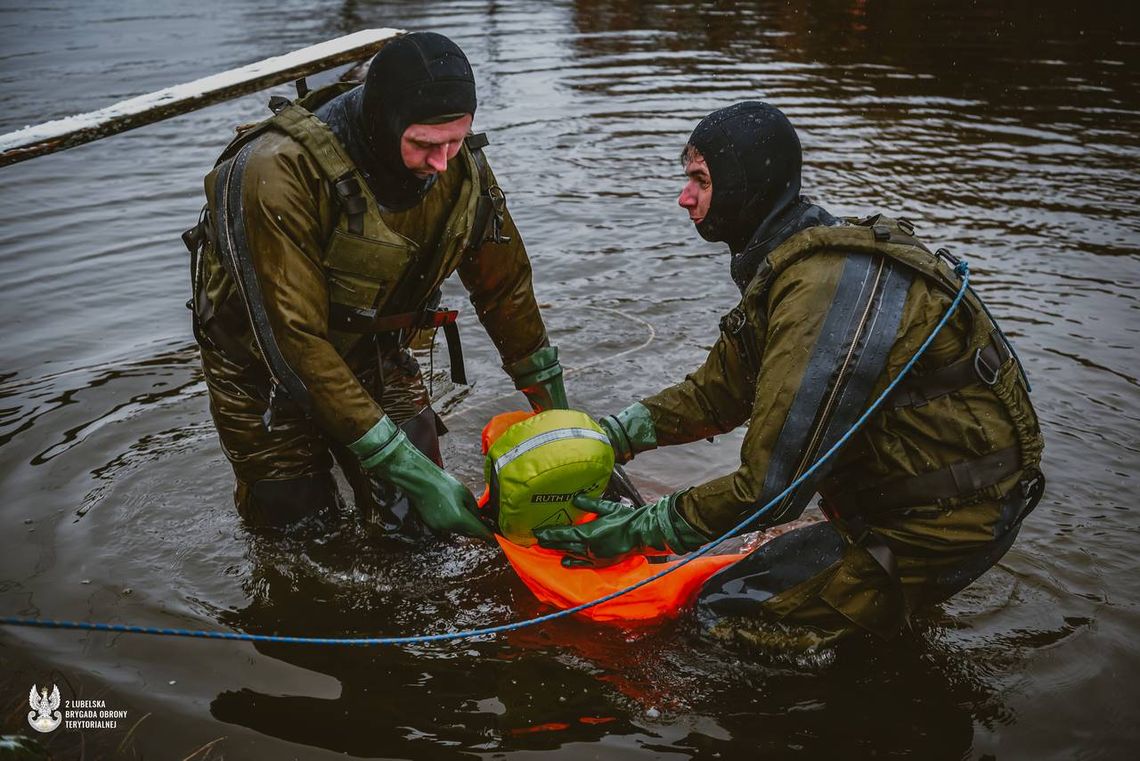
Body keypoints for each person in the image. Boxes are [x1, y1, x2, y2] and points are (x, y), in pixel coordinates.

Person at [535, 102, 1045, 643]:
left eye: (700, 180)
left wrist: (639, 530)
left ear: (745, 187)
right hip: (908, 502)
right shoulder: (794, 261)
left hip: (949, 523)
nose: (684, 198)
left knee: (719, 617)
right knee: (749, 574)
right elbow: (716, 396)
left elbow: (771, 491)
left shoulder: (817, 291)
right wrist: (607, 437)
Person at [183, 32, 567, 537]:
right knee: (301, 536)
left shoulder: (457, 162)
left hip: (377, 350)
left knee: (422, 530)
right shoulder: (275, 173)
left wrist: (560, 419)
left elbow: (505, 284)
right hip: (262, 373)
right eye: (425, 145)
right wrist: (405, 466)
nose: (442, 162)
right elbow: (294, 341)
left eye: (456, 141)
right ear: (385, 122)